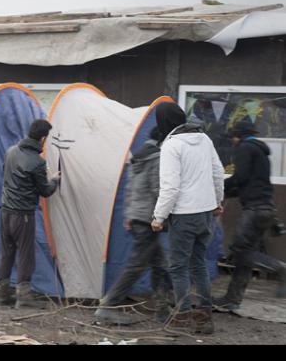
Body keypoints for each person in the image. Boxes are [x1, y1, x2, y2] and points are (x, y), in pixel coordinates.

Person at [151, 103, 225, 334]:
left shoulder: (171, 146)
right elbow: (218, 172)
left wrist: (158, 216)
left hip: (184, 214)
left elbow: (170, 187)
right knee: (199, 264)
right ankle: (204, 319)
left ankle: (182, 317)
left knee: (178, 267)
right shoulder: (204, 138)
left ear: (163, 122)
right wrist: (217, 202)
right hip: (205, 213)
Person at [95, 127, 171, 325]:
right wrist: (164, 215)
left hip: (137, 216)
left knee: (158, 263)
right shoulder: (157, 158)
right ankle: (108, 306)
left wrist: (129, 214)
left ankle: (163, 308)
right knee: (136, 266)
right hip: (148, 219)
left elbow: (130, 189)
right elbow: (157, 189)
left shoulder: (137, 157)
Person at [214, 121, 286, 311]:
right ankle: (232, 299)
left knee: (240, 252)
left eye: (233, 138)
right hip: (265, 209)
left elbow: (241, 178)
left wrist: (219, 189)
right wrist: (229, 193)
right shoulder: (260, 150)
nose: (232, 141)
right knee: (245, 255)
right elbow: (251, 184)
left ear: (238, 136)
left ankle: (280, 269)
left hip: (254, 211)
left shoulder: (245, 148)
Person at [0, 119, 61, 308]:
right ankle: (23, 298)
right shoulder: (37, 162)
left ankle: (1, 295)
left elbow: (5, 175)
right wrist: (54, 180)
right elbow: (45, 191)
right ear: (42, 138)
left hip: (5, 212)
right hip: (22, 215)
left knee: (6, 253)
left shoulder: (10, 151)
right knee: (25, 255)